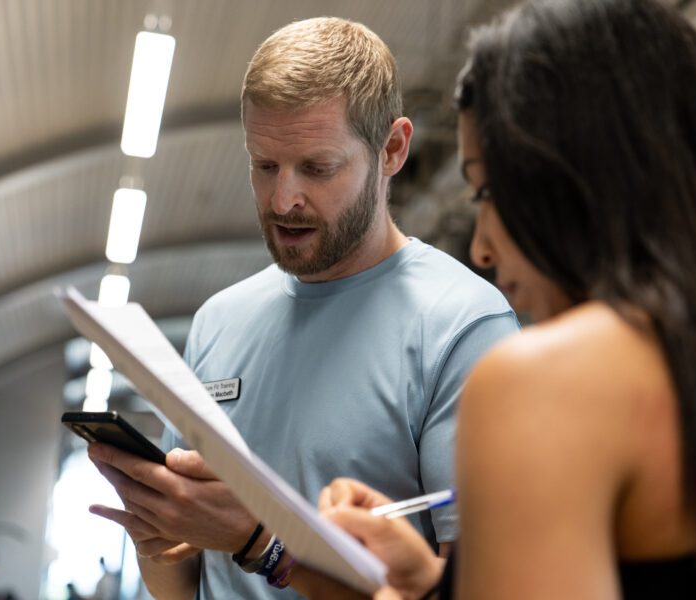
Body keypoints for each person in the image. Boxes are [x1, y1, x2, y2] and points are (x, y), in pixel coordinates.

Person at [280, 0, 696, 598]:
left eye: (487, 192)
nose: (481, 248)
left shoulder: (544, 382)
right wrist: (434, 584)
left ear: (575, 176)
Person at [86, 16, 518, 600]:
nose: (283, 198)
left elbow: (483, 586)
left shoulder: (462, 327)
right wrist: (156, 540)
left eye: (317, 168)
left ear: (392, 150)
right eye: (264, 165)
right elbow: (184, 586)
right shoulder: (218, 321)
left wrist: (264, 543)